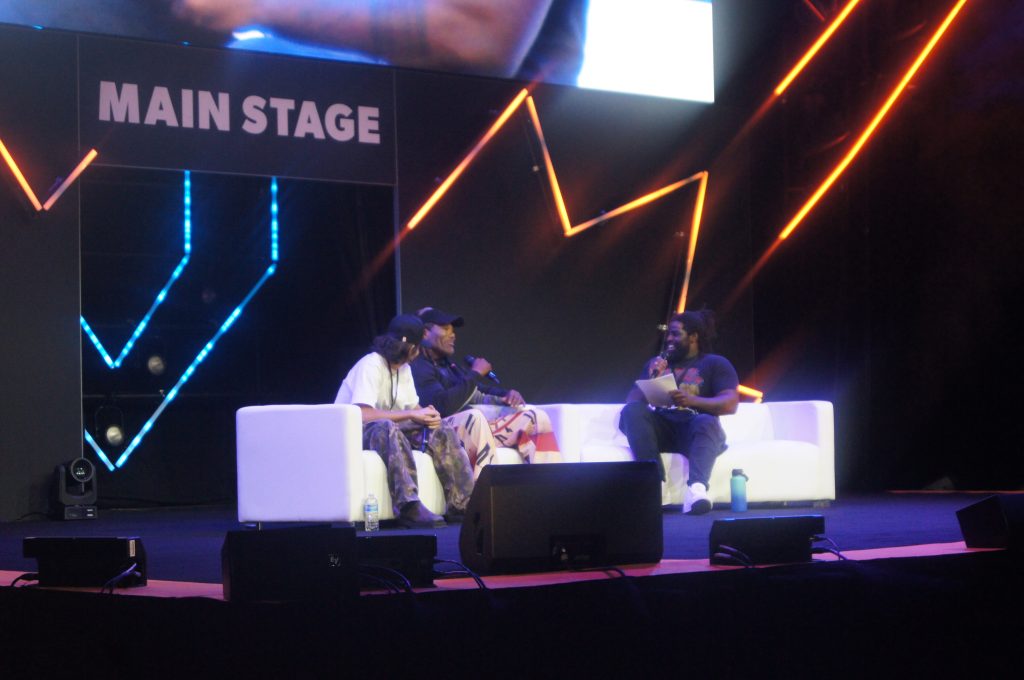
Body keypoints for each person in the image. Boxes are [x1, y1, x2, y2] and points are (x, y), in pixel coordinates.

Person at [335, 313, 473, 527]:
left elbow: (412, 407)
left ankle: (463, 505)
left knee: (442, 430)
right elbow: (362, 414)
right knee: (387, 427)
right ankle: (408, 506)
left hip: (386, 431)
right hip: (352, 434)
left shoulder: (404, 369)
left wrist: (427, 414)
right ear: (412, 348)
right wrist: (411, 415)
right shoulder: (371, 365)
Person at [410, 307, 557, 477]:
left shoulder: (449, 366)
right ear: (425, 333)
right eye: (445, 328)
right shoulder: (418, 366)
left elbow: (478, 391)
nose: (452, 335)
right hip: (439, 433)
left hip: (471, 429)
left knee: (536, 418)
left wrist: (505, 396)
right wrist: (475, 373)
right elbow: (442, 406)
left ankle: (550, 486)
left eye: (453, 330)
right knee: (474, 418)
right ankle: (486, 492)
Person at [618, 309, 739, 515]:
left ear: (693, 336)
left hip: (694, 429)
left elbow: (730, 403)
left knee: (706, 421)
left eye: (675, 334)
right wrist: (652, 376)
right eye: (669, 334)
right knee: (632, 411)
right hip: (662, 428)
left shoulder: (714, 363)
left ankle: (696, 490)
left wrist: (692, 400)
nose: (669, 339)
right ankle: (653, 485)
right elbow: (632, 401)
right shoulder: (658, 364)